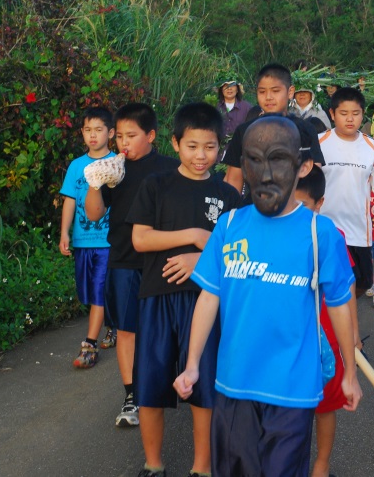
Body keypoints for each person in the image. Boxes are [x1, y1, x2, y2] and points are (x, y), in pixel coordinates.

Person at [174, 117, 361, 477]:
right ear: (243, 165)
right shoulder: (229, 226)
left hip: (292, 389)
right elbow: (209, 299)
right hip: (233, 384)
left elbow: (339, 305)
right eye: (254, 160)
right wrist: (193, 362)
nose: (266, 173)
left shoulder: (319, 232)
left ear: (302, 166)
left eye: (277, 159)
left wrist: (349, 373)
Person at [127, 103, 241, 477]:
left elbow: (236, 255)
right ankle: (153, 464)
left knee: (205, 386)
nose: (200, 155)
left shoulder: (228, 196)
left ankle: (202, 468)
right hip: (157, 297)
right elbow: (141, 239)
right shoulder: (155, 185)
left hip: (205, 303)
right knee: (151, 383)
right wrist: (194, 236)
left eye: (209, 147)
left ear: (219, 148)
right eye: (192, 146)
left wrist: (199, 260)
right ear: (175, 143)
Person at [85, 103, 180, 428]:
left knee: (164, 328)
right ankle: (132, 396)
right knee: (127, 329)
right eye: (120, 136)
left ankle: (166, 383)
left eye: (132, 136)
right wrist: (97, 182)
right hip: (123, 259)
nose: (124, 143)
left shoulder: (170, 169)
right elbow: (95, 214)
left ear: (151, 135)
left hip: (162, 261)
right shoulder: (114, 169)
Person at [293, 166, 358, 477]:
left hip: (327, 337)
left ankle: (321, 464)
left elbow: (346, 289)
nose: (293, 212)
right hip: (290, 335)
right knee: (290, 407)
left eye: (302, 205)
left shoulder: (331, 234)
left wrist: (354, 334)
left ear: (319, 203)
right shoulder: (273, 234)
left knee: (326, 405)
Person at [319, 87, 374, 297]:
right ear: (332, 114)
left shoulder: (370, 146)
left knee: (362, 282)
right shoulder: (319, 143)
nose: (350, 119)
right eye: (343, 114)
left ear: (363, 114)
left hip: (358, 232)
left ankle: (344, 323)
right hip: (324, 229)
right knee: (326, 285)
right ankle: (329, 328)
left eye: (355, 114)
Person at [59, 106, 116, 368]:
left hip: (107, 241)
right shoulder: (76, 166)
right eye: (88, 130)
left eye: (99, 130)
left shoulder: (116, 164)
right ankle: (113, 324)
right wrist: (65, 233)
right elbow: (69, 201)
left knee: (97, 292)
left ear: (110, 133)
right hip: (83, 241)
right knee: (89, 292)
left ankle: (89, 345)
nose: (92, 135)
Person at [222, 63, 324, 196]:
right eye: (262, 92)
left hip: (292, 208)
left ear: (290, 92)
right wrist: (233, 213)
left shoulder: (305, 129)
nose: (268, 97)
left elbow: (314, 178)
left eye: (275, 91)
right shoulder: (245, 131)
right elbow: (234, 180)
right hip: (254, 208)